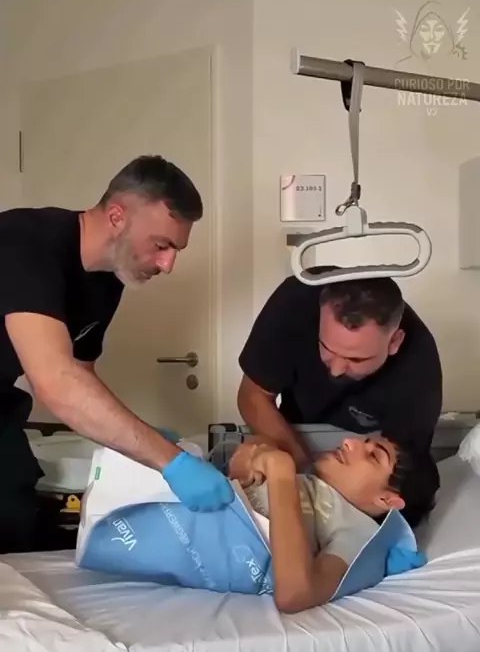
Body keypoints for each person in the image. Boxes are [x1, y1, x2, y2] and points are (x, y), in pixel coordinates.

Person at [0, 155, 233, 553]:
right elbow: (56, 382)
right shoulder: (26, 243)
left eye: (175, 250)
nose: (168, 264)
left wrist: (137, 437)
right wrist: (168, 459)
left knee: (15, 508)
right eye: (161, 245)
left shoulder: (107, 281)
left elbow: (80, 375)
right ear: (116, 216)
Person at [237, 271, 442, 527]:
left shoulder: (418, 377)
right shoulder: (296, 301)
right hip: (291, 436)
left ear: (394, 342)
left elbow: (397, 486)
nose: (335, 370)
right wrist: (298, 475)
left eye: (356, 359)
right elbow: (253, 396)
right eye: (325, 348)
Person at [228, 433, 414, 613]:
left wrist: (280, 470)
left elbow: (294, 595)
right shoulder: (310, 481)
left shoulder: (360, 532)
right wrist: (256, 452)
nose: (348, 441)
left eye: (373, 455)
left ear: (387, 500)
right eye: (364, 440)